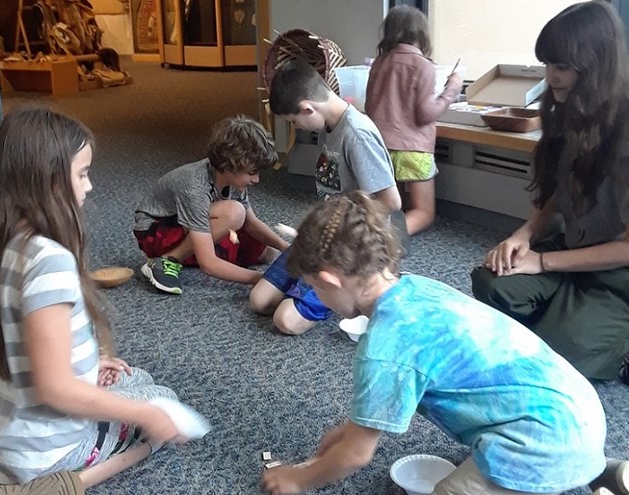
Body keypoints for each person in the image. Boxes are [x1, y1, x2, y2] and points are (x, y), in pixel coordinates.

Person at [261, 190, 618, 495]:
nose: (319, 299)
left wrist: (299, 478)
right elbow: (366, 427)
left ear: (331, 280)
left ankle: (569, 472)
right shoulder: (419, 288)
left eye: (316, 289)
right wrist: (349, 430)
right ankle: (606, 472)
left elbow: (357, 455)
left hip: (542, 444)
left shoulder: (385, 347)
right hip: (579, 409)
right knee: (566, 452)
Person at [0, 107, 189, 491]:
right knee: (161, 401)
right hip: (43, 453)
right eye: (82, 173)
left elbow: (21, 346)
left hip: (0, 437)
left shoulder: (1, 249)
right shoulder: (49, 262)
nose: (90, 186)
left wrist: (89, 365)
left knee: (135, 377)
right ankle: (77, 477)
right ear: (48, 182)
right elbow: (54, 389)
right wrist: (144, 414)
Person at [470, 0, 629, 382]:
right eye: (547, 64)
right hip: (574, 252)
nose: (550, 76)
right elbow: (559, 194)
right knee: (490, 280)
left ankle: (610, 345)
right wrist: (523, 235)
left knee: (555, 356)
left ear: (595, 65)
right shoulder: (569, 113)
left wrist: (542, 263)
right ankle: (564, 316)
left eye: (561, 67)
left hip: (620, 279)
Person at [249, 60, 403, 335]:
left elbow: (392, 202)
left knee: (285, 320)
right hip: (324, 238)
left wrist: (340, 230)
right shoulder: (328, 126)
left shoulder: (356, 135)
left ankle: (361, 289)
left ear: (308, 107)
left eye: (295, 121)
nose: (299, 127)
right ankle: (323, 291)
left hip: (349, 249)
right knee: (259, 300)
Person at [134, 115, 289, 295]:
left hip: (188, 225)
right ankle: (167, 260)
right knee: (234, 213)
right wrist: (260, 279)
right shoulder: (194, 186)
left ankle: (187, 254)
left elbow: (251, 223)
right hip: (156, 231)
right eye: (252, 173)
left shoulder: (233, 178)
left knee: (267, 253)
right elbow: (209, 264)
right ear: (230, 165)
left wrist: (285, 247)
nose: (256, 179)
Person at [365, 5, 462, 236]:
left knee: (390, 204)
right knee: (424, 211)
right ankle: (386, 238)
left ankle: (371, 232)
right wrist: (451, 90)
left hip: (379, 145)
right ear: (421, 34)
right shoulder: (424, 65)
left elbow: (369, 106)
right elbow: (425, 114)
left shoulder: (379, 63)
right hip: (413, 150)